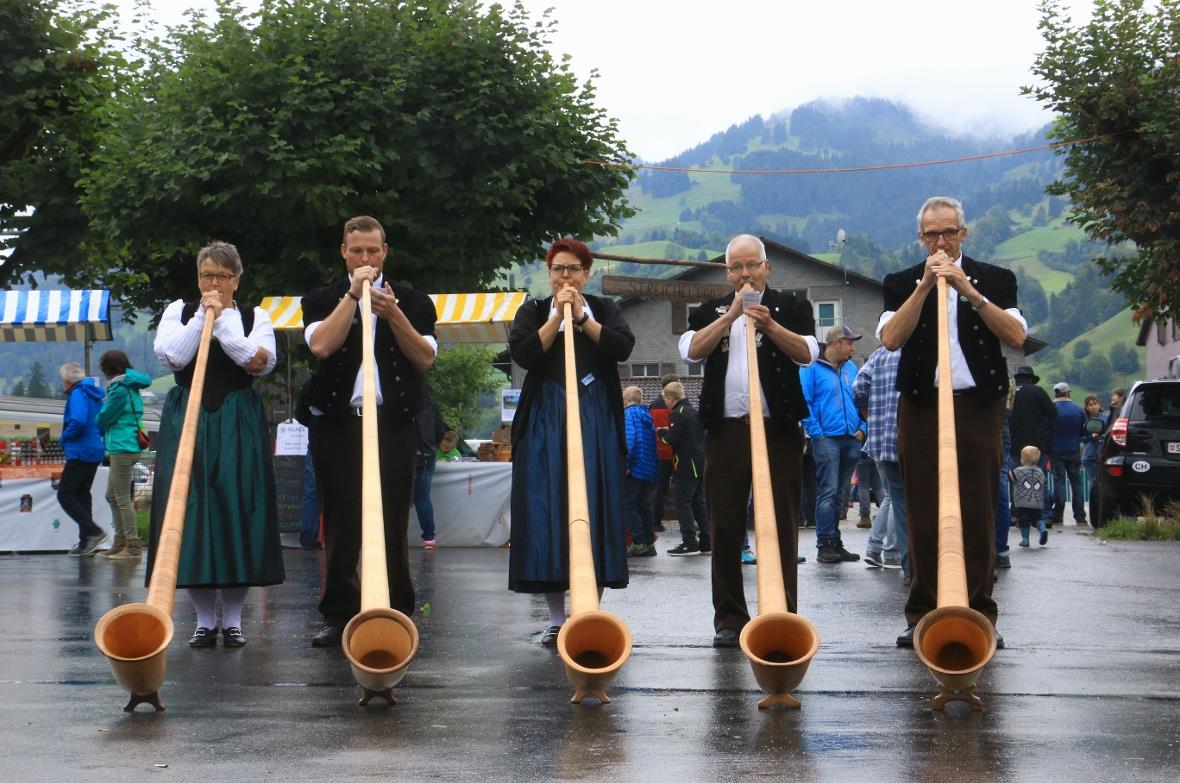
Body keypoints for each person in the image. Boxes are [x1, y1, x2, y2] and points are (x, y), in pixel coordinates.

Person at [879, 197, 1026, 649]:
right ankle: (922, 613)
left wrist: (969, 290)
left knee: (980, 510)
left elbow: (1016, 336)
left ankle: (980, 614)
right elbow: (890, 338)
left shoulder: (996, 278)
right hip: (922, 406)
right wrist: (925, 286)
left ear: (964, 233)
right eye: (932, 235)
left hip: (978, 406)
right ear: (920, 238)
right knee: (922, 512)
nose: (940, 242)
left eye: (948, 233)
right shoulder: (900, 281)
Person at [301, 216, 437, 648]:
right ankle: (340, 612)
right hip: (339, 421)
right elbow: (321, 345)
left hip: (393, 421)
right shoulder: (321, 298)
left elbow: (424, 358)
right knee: (341, 519)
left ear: (385, 252)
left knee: (394, 518)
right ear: (344, 252)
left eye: (372, 251)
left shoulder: (413, 301)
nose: (365, 258)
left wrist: (392, 312)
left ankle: (396, 611)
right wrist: (352, 297)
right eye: (357, 250)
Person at [679, 234, 818, 648]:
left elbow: (808, 353)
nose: (745, 274)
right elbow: (691, 351)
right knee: (724, 525)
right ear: (727, 273)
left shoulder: (792, 306)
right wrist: (730, 317)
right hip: (725, 431)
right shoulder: (709, 310)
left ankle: (781, 612)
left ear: (766, 267)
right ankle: (729, 618)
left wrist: (769, 324)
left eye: (752, 265)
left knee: (782, 522)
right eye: (736, 267)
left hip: (779, 430)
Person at [148, 240, 284, 649]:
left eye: (223, 277)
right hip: (186, 414)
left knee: (236, 507)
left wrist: (223, 323)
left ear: (236, 280)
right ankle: (204, 620)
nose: (214, 284)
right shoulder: (178, 312)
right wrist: (200, 320)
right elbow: (173, 357)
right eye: (207, 275)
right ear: (198, 277)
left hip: (236, 417)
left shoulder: (255, 316)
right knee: (189, 510)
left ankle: (234, 620)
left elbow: (259, 362)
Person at [507, 238, 634, 647]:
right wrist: (556, 319)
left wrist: (581, 318)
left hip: (596, 415)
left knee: (596, 506)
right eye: (558, 269)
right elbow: (524, 354)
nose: (566, 276)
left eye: (574, 269)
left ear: (587, 273)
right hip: (545, 416)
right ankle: (557, 619)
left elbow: (622, 347)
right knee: (547, 510)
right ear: (549, 274)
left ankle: (588, 611)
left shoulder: (605, 309)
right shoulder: (532, 310)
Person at [799, 324, 867, 563]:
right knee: (828, 492)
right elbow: (804, 402)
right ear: (836, 344)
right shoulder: (811, 367)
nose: (852, 348)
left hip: (851, 438)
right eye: (849, 343)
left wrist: (863, 428)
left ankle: (835, 542)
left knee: (839, 494)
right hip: (827, 438)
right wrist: (817, 433)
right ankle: (825, 544)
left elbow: (861, 399)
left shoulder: (851, 368)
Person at [852, 345, 910, 580]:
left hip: (880, 440)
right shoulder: (921, 347)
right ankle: (894, 554)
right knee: (905, 502)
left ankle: (878, 550)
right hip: (910, 439)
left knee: (894, 498)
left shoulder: (879, 354)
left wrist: (872, 418)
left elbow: (858, 387)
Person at [95, 350, 152, 560]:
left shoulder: (119, 390)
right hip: (128, 445)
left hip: (122, 446)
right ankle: (119, 543)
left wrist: (98, 419)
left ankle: (132, 546)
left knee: (121, 498)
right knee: (112, 496)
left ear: (110, 369)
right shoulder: (130, 384)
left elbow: (105, 417)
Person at [58, 362, 108, 557]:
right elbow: (102, 422)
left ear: (68, 380)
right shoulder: (94, 395)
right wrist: (96, 437)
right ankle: (86, 541)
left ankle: (93, 531)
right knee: (82, 494)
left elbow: (78, 420)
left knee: (65, 494)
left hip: (80, 451)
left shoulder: (77, 393)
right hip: (94, 449)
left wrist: (65, 438)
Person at [658, 382, 710, 556]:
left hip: (687, 465)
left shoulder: (678, 413)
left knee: (683, 503)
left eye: (665, 399)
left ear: (670, 398)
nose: (665, 402)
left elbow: (670, 440)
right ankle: (707, 540)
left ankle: (689, 542)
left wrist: (661, 433)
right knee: (698, 502)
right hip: (700, 462)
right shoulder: (693, 411)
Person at [1009, 365, 1055, 527]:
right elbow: (1052, 412)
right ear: (1031, 378)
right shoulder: (1038, 391)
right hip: (1037, 445)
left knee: (1016, 480)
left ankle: (1016, 515)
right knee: (1040, 479)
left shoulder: (1010, 393)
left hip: (1015, 444)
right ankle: (1045, 515)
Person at [622, 386, 658, 557]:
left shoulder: (629, 415)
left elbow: (630, 439)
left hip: (635, 467)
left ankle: (638, 542)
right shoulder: (647, 416)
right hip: (648, 468)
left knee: (629, 503)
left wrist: (626, 463)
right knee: (644, 505)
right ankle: (649, 543)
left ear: (625, 401)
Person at [413, 384, 448, 549]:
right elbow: (441, 430)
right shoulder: (431, 406)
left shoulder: (406, 406)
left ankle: (393, 535)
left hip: (409, 454)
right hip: (428, 454)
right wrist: (432, 445)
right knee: (423, 498)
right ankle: (429, 537)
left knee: (397, 497)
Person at [1048, 381, 1088, 527]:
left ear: (1056, 393)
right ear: (1067, 393)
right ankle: (1080, 517)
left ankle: (1058, 516)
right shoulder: (1078, 409)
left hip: (1055, 450)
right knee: (1076, 483)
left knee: (1059, 482)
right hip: (1074, 450)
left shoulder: (1051, 409)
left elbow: (1046, 429)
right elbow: (1085, 430)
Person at [649, 373, 679, 533]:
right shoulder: (671, 405)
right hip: (672, 452)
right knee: (680, 488)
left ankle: (656, 521)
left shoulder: (654, 405)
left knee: (660, 489)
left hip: (659, 452)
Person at [1011, 446, 1048, 547]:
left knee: (1023, 521)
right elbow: (1043, 482)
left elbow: (1010, 478)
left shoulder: (1018, 470)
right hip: (1037, 502)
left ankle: (1025, 540)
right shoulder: (1040, 471)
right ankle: (1042, 529)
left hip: (1022, 502)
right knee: (1037, 520)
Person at [1082, 393, 1108, 516]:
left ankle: (1103, 507)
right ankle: (1093, 508)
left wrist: (1101, 435)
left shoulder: (1106, 417)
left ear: (1099, 404)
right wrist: (1090, 436)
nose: (1093, 406)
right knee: (1092, 482)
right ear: (1086, 407)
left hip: (1103, 454)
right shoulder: (1084, 419)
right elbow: (1082, 437)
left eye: (1095, 404)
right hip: (1090, 456)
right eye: (1090, 405)